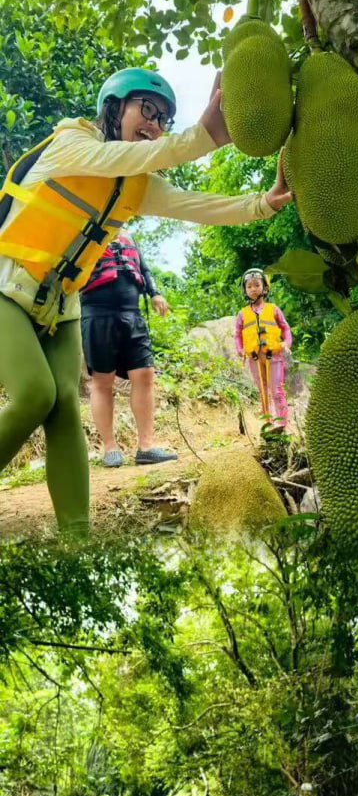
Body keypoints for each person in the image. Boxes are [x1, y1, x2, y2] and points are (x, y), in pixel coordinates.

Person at [0, 66, 292, 532]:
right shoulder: (71, 146)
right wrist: (204, 138)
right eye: (147, 110)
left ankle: (77, 540)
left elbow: (198, 206)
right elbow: (143, 156)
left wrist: (263, 203)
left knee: (64, 416)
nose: (154, 125)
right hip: (7, 286)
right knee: (37, 394)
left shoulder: (134, 184)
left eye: (163, 120)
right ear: (114, 109)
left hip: (61, 305)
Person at [80, 228, 176, 467]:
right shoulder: (84, 228)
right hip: (96, 313)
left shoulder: (130, 234)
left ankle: (146, 446)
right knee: (102, 381)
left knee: (145, 374)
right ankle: (110, 447)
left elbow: (143, 268)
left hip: (132, 313)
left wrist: (155, 293)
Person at [234, 269, 292, 431]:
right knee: (263, 391)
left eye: (257, 285)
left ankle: (282, 423)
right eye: (249, 286)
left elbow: (285, 328)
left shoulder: (273, 309)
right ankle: (269, 422)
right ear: (245, 290)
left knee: (276, 389)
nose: (253, 289)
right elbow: (237, 335)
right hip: (254, 358)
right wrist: (240, 350)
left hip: (274, 356)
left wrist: (287, 343)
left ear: (265, 288)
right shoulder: (242, 314)